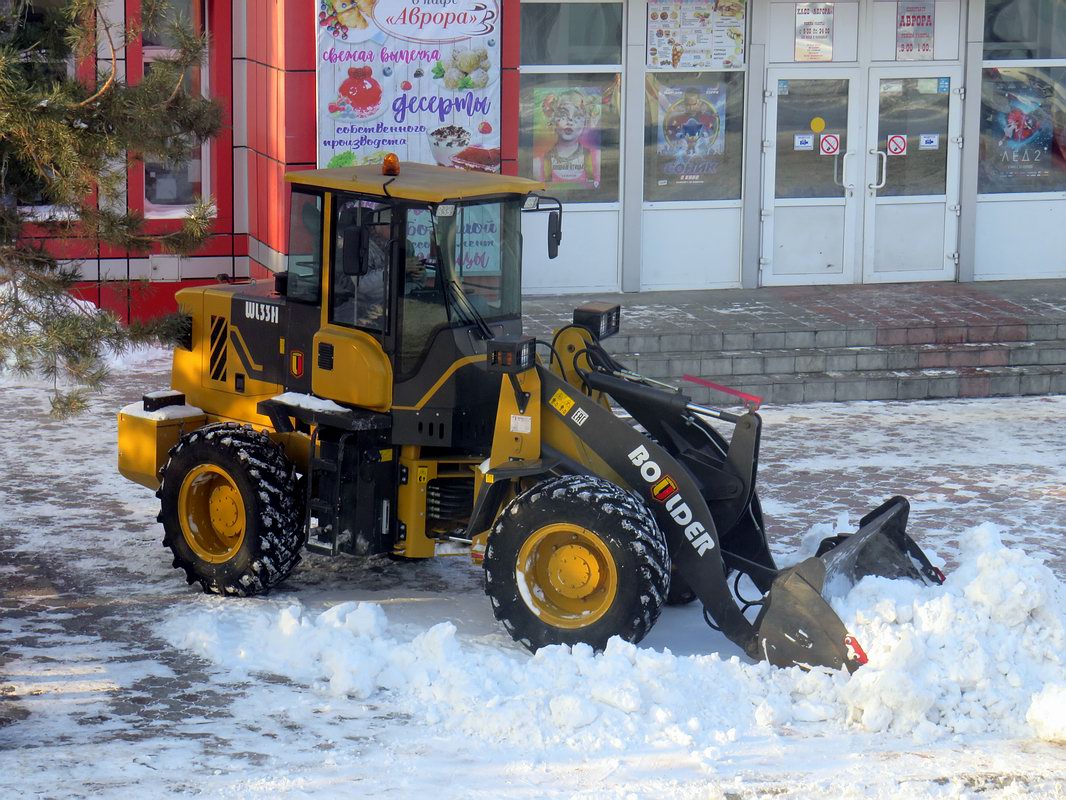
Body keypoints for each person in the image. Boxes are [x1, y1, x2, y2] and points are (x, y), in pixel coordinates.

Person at [533, 89, 600, 188]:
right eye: (563, 114)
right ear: (553, 119)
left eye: (577, 116)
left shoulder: (597, 158)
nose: (570, 121)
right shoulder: (538, 164)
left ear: (585, 122)